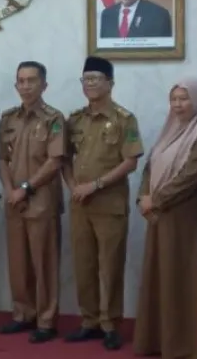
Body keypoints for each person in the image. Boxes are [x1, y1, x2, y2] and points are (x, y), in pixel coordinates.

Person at [133, 78, 197, 359]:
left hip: (188, 219)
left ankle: (187, 345)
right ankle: (161, 340)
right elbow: (149, 167)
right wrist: (143, 197)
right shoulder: (169, 130)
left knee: (184, 278)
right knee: (164, 278)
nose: (178, 105)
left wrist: (155, 200)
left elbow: (191, 176)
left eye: (184, 98)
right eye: (174, 99)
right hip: (161, 216)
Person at [63, 56, 143, 351]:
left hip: (109, 205)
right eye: (86, 79)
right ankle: (89, 321)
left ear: (110, 83)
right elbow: (63, 158)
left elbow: (131, 161)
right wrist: (73, 186)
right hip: (80, 205)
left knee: (110, 267)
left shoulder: (124, 119)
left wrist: (95, 185)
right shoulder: (75, 119)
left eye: (96, 79)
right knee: (83, 265)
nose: (90, 84)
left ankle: (110, 325)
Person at [0, 61, 66, 344]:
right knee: (18, 263)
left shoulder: (54, 118)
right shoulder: (8, 118)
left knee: (44, 263)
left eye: (31, 81)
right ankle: (22, 314)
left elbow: (55, 161)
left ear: (44, 85)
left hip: (41, 201)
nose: (25, 86)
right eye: (21, 81)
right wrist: (9, 190)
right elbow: (2, 158)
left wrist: (25, 188)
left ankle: (46, 320)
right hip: (14, 202)